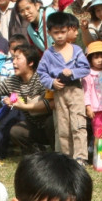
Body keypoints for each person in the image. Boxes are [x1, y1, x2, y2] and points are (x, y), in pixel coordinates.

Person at [37, 12, 90, 165]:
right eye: (56, 33)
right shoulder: (48, 54)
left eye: (63, 32)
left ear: (68, 30)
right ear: (49, 33)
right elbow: (42, 73)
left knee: (78, 123)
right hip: (59, 93)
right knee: (62, 126)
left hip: (75, 90)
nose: (60, 36)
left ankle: (80, 157)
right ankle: (64, 158)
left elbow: (85, 69)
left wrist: (72, 72)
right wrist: (52, 82)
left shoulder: (76, 50)